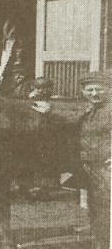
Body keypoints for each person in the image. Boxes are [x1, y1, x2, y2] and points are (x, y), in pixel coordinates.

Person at [76, 71, 110, 249]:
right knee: (96, 209)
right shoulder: (90, 110)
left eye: (99, 89)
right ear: (83, 92)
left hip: (107, 169)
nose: (95, 94)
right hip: (91, 169)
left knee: (106, 209)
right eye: (90, 90)